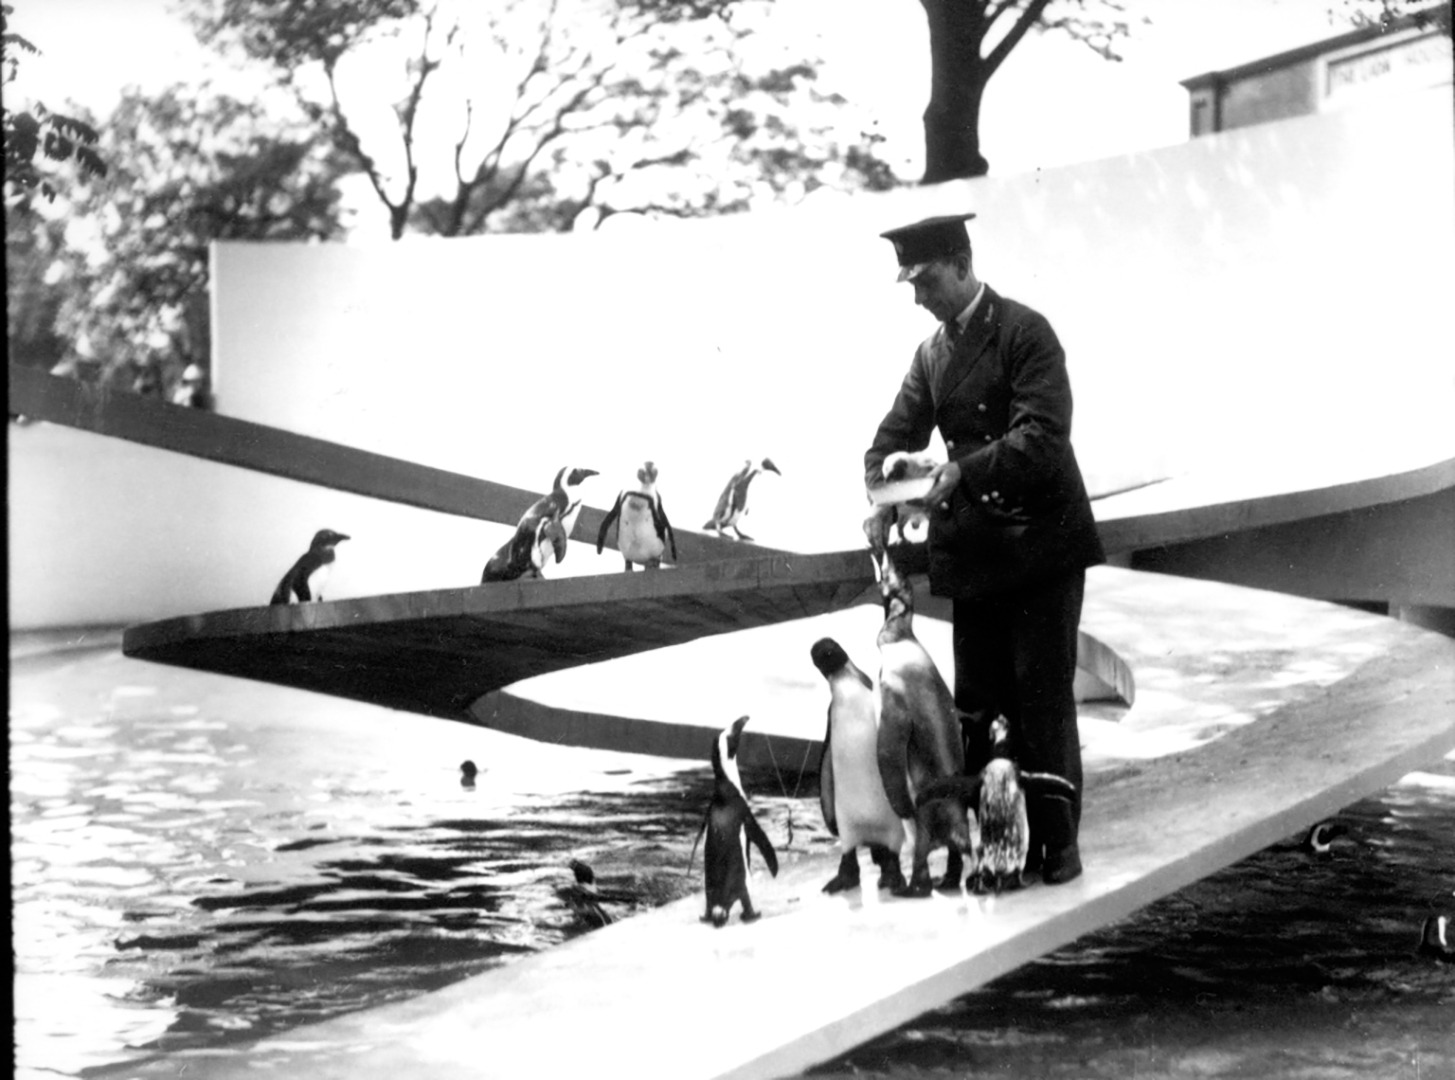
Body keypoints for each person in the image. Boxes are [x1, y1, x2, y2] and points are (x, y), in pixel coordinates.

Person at [863, 211, 1105, 885]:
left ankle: (1056, 844)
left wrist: (961, 472)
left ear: (962, 263)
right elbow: (886, 441)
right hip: (973, 553)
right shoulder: (931, 355)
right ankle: (1000, 847)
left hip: (1038, 548)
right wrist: (877, 497)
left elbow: (1042, 437)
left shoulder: (1024, 332)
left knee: (1040, 697)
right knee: (977, 704)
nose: (916, 296)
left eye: (926, 279)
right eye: (909, 283)